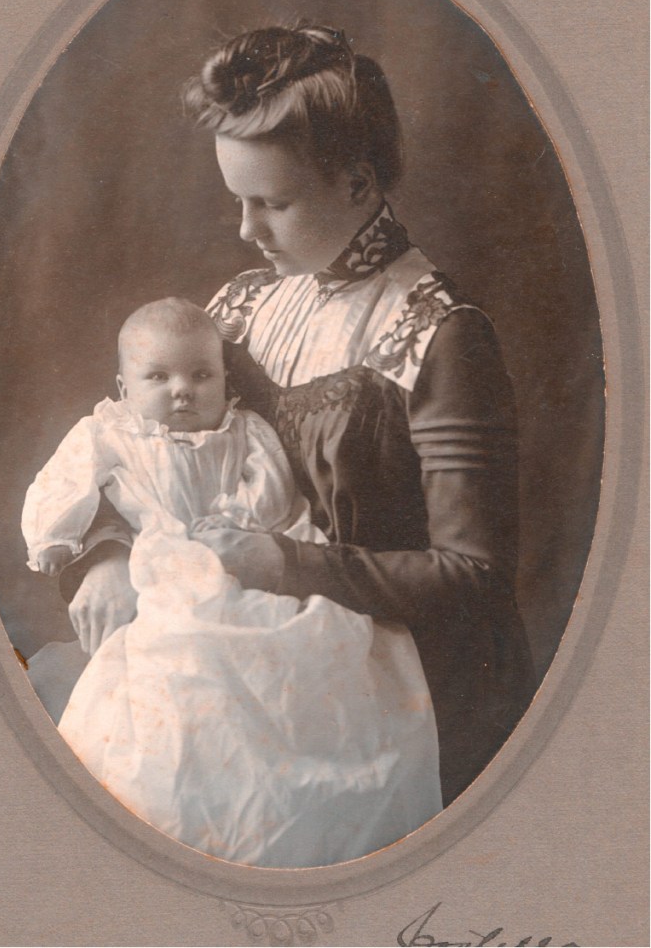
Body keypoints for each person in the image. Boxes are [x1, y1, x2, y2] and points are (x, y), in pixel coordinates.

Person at [64, 23, 536, 812]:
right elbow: (141, 445)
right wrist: (108, 552)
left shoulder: (437, 333)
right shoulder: (241, 308)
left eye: (272, 203)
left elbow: (475, 578)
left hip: (407, 681)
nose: (246, 231)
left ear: (358, 183)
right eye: (238, 203)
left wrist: (285, 565)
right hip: (241, 651)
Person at [23, 297, 443, 867]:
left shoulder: (246, 431)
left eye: (201, 375)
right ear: (124, 388)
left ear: (225, 378)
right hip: (164, 572)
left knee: (304, 647)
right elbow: (60, 488)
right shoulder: (108, 433)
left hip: (246, 561)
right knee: (182, 662)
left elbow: (274, 498)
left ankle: (283, 805)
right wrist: (77, 545)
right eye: (158, 377)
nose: (182, 390)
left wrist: (238, 521)